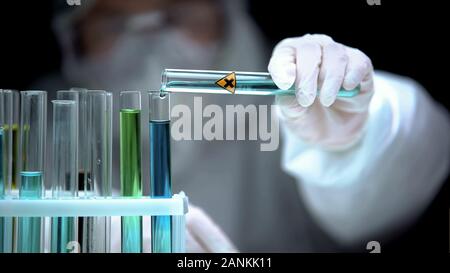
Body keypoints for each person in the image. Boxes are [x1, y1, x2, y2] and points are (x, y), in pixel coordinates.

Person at [34, 0, 449, 252]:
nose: (151, 46)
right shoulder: (39, 122)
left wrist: (358, 136)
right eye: (111, 21)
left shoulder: (288, 89)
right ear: (72, 33)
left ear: (224, 12)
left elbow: (421, 152)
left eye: (179, 11)